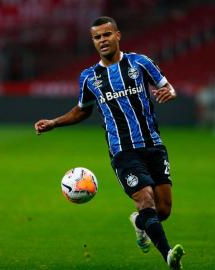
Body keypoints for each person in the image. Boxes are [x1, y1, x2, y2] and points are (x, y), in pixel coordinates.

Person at [34, 16, 185, 269]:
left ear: (117, 35)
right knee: (145, 199)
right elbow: (83, 110)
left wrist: (170, 92)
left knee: (164, 209)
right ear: (93, 41)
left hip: (153, 144)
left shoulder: (141, 62)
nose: (102, 40)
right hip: (122, 151)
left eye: (106, 35)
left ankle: (140, 223)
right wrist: (54, 122)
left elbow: (167, 87)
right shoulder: (89, 77)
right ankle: (169, 254)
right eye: (97, 37)